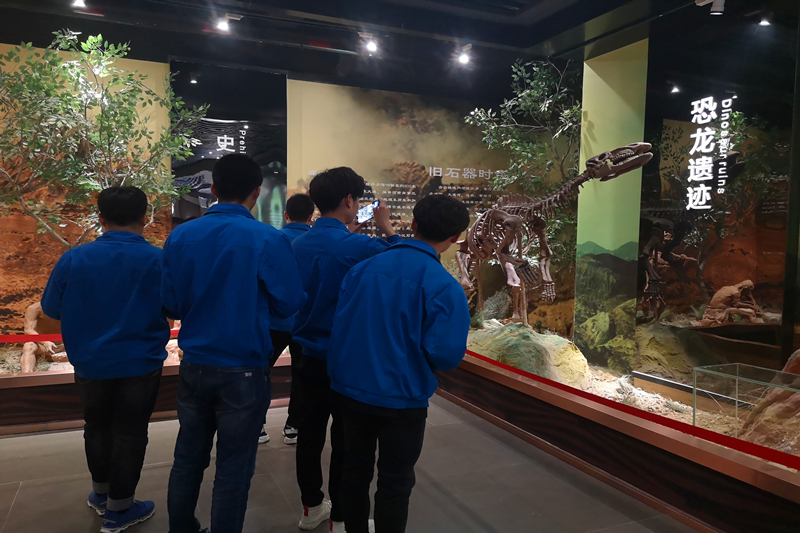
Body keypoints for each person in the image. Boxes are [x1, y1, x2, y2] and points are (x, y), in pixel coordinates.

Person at [163, 154, 305, 533]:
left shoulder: (180, 236)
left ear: (213, 188)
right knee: (234, 467)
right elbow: (290, 302)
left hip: (194, 364)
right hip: (245, 367)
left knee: (187, 458)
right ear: (256, 192)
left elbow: (171, 304)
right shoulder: (268, 239)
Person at [328, 194, 471, 533]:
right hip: (403, 399)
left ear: (414, 224)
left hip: (350, 391)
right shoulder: (444, 287)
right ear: (454, 238)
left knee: (354, 470)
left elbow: (341, 325)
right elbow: (447, 354)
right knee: (395, 481)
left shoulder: (361, 270)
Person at [41, 186, 171, 533]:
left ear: (100, 218)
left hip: (90, 362)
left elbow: (51, 308)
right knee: (130, 432)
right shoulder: (158, 259)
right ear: (145, 217)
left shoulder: (74, 258)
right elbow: (174, 306)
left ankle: (101, 494)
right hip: (140, 363)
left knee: (96, 426)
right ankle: (120, 509)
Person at [291, 168, 401, 532]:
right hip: (345, 359)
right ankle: (340, 517)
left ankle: (311, 507)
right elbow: (405, 260)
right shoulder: (361, 246)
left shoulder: (297, 244)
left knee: (309, 434)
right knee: (347, 439)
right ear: (349, 201)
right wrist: (386, 227)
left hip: (305, 354)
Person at [259, 193, 316, 445]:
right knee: (301, 375)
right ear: (311, 216)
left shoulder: (273, 239)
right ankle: (293, 426)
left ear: (286, 215)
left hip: (275, 319)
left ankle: (258, 425)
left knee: (262, 371)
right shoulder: (315, 242)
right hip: (305, 321)